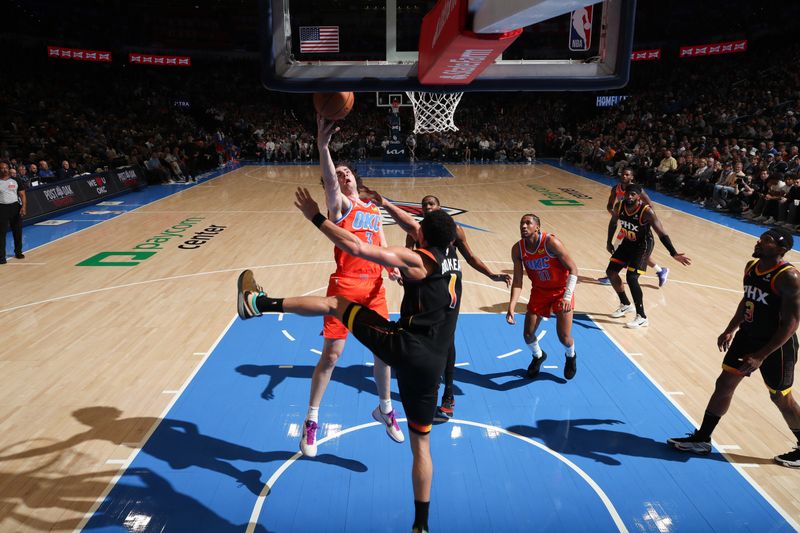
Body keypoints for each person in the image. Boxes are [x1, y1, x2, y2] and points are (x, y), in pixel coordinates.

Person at [237, 188, 461, 533]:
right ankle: (421, 525)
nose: (414, 229)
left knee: (337, 304)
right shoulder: (451, 259)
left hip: (406, 348)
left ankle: (256, 304)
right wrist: (386, 204)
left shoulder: (417, 260)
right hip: (433, 365)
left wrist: (316, 215)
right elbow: (416, 228)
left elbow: (356, 247)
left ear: (423, 236)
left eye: (418, 229)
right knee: (422, 447)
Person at [297, 115, 404, 458]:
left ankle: (385, 409)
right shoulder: (340, 206)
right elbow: (328, 182)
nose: (342, 175)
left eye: (346, 172)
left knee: (383, 353)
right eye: (338, 174)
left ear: (356, 178)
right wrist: (324, 147)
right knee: (331, 356)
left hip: (374, 288)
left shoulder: (371, 209)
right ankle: (311, 420)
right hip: (345, 286)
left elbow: (383, 242)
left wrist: (391, 267)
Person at [367, 192, 511, 418]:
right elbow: (410, 260)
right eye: (424, 205)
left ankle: (447, 394)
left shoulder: (453, 231)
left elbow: (471, 258)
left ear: (441, 207)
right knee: (432, 343)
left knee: (446, 344)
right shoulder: (419, 234)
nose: (427, 207)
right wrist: (403, 275)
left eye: (432, 204)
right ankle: (429, 390)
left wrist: (492, 274)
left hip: (444, 296)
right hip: (428, 292)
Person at [668, 228, 800, 467]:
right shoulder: (751, 266)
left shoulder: (788, 277)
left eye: (767, 241)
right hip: (747, 336)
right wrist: (731, 328)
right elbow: (747, 299)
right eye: (762, 237)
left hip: (776, 347)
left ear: (781, 250)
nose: (759, 241)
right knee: (725, 383)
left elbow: (791, 324)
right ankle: (702, 439)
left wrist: (761, 356)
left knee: (781, 399)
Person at [606, 184, 691, 328]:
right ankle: (625, 304)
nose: (630, 196)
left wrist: (673, 253)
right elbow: (613, 223)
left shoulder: (646, 212)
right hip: (628, 242)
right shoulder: (619, 206)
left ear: (639, 197)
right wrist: (609, 241)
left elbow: (662, 233)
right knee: (611, 272)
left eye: (633, 194)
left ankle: (642, 316)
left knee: (632, 278)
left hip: (643, 245)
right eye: (628, 194)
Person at [506, 213, 579, 379]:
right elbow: (518, 280)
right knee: (527, 334)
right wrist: (511, 306)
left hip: (561, 291)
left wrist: (567, 296)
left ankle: (571, 355)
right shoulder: (518, 249)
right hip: (539, 291)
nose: (523, 226)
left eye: (528, 223)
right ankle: (538, 356)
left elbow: (574, 269)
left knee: (564, 337)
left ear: (537, 227)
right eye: (521, 223)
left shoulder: (551, 243)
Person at [598, 169, 669, 287]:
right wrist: (615, 214)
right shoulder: (616, 188)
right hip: (626, 223)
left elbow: (650, 205)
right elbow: (610, 205)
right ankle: (660, 270)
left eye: (627, 174)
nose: (624, 176)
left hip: (637, 224)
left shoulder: (637, 190)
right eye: (623, 174)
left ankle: (612, 275)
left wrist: (646, 221)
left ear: (632, 177)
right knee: (631, 252)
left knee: (620, 249)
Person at [0, 162, 26, 264]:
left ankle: (18, 252)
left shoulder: (16, 180)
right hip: (2, 208)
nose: (4, 170)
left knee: (17, 231)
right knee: (1, 234)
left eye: (6, 168)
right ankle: (1, 257)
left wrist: (23, 207)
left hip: (15, 207)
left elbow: (22, 195)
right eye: (2, 168)